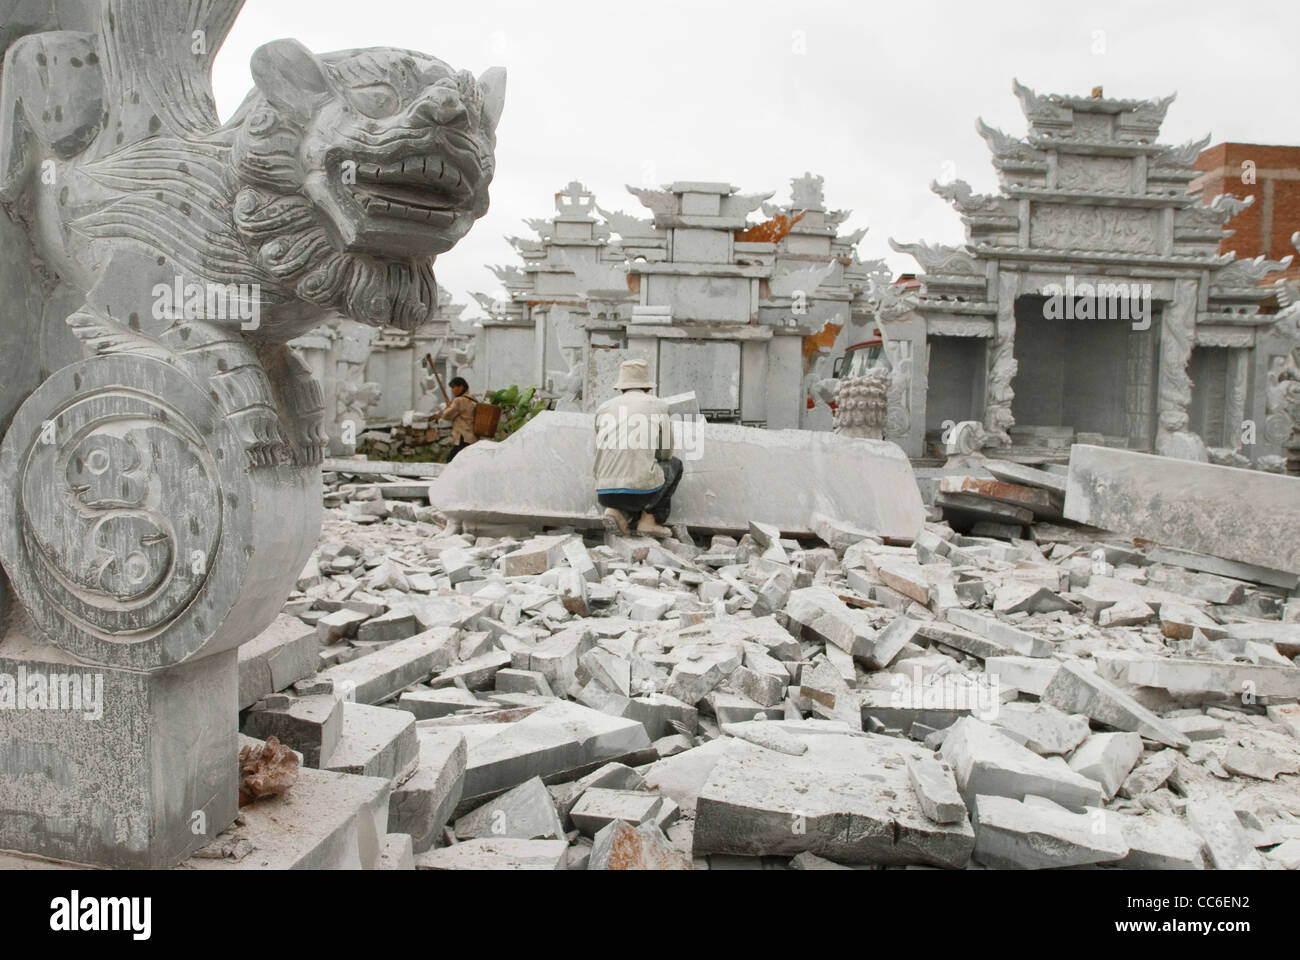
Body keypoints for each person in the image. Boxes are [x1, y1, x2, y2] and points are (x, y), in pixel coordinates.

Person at [592, 359, 683, 538]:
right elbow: (666, 452)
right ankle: (649, 521)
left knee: (626, 474)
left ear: (621, 387)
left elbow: (598, 453)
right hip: (640, 494)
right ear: (648, 388)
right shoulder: (658, 405)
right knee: (674, 465)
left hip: (604, 493)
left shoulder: (603, 408)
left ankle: (616, 511)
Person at [438, 377, 479, 462]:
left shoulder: (459, 400)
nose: (453, 390)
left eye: (454, 387)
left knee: (450, 460)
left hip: (462, 437)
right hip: (473, 437)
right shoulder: (473, 400)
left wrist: (447, 407)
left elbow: (446, 415)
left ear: (461, 387)